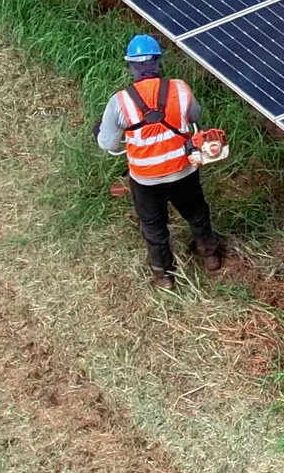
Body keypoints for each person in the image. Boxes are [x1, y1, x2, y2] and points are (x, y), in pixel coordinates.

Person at [96, 34, 224, 289]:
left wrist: (101, 131)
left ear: (131, 65)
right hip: (183, 172)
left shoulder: (119, 102)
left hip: (145, 181)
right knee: (197, 215)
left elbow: (108, 144)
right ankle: (210, 256)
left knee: (154, 228)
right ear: (157, 63)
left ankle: (164, 275)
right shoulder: (179, 88)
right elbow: (195, 115)